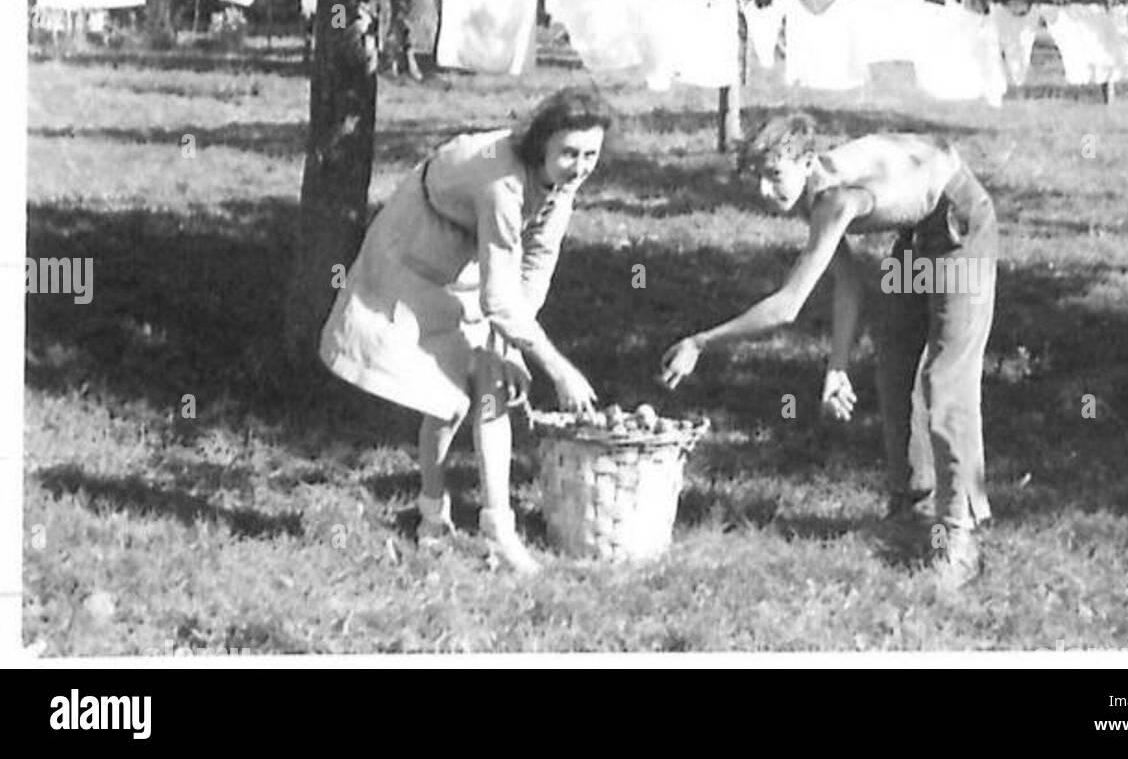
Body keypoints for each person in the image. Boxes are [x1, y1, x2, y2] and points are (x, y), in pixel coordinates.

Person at [660, 113, 998, 587]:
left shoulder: (836, 200)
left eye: (773, 175)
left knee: (944, 381)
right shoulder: (811, 197)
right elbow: (848, 284)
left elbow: (786, 306)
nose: (763, 190)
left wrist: (700, 341)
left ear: (806, 161)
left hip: (960, 229)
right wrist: (837, 368)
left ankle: (959, 535)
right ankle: (911, 510)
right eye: (756, 176)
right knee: (895, 365)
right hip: (916, 238)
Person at [319, 87, 610, 574]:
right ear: (542, 146)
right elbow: (500, 299)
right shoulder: (501, 184)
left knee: (492, 384)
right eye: (569, 153)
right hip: (408, 263)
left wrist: (516, 348)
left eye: (591, 155)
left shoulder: (560, 186)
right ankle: (433, 516)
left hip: (470, 267)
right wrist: (559, 370)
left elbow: (533, 271)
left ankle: (498, 530)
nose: (580, 166)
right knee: (448, 401)